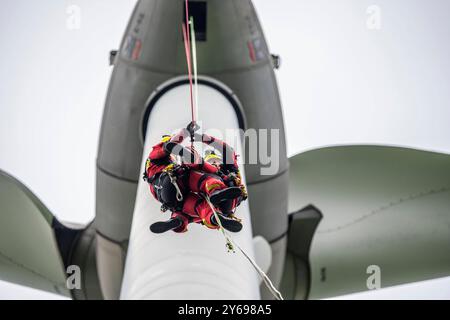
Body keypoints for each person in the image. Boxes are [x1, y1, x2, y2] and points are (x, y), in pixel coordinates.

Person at [143, 124, 246, 234]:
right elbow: (166, 147)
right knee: (199, 205)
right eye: (211, 160)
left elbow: (227, 150)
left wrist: (198, 137)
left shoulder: (227, 169)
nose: (214, 162)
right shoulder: (225, 171)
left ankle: (178, 221)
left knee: (192, 204)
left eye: (215, 160)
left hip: (168, 195)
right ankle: (212, 217)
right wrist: (195, 136)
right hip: (222, 204)